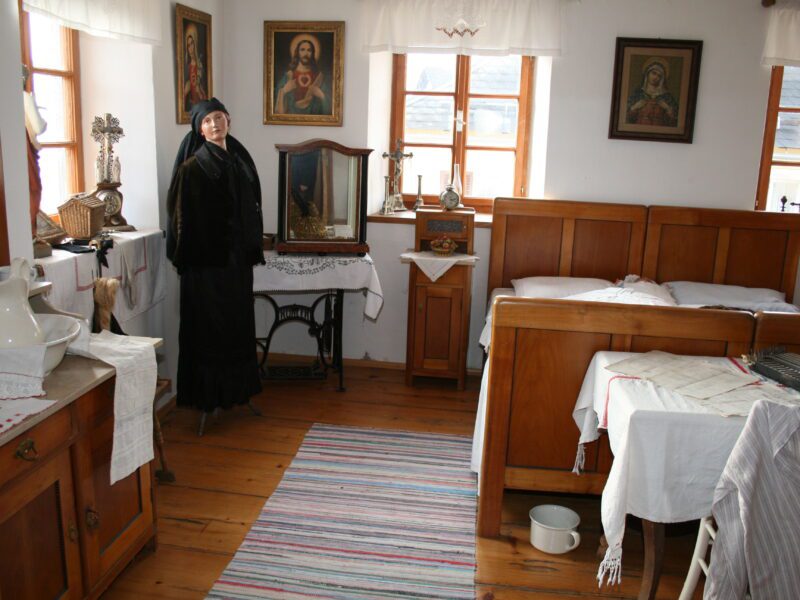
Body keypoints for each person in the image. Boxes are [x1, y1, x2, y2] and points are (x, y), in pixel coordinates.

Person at [167, 98, 264, 426]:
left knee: (237, 329)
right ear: (200, 129)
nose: (214, 124)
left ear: (229, 120)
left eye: (218, 117)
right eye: (207, 121)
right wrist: (195, 264)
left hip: (236, 268)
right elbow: (181, 224)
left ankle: (237, 392)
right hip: (206, 272)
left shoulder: (240, 162)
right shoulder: (192, 169)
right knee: (210, 333)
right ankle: (209, 398)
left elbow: (251, 210)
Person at [275, 35, 331, 115]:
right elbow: (278, 111)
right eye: (302, 50)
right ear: (297, 52)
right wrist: (284, 91)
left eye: (309, 50)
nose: (306, 53)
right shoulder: (288, 76)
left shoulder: (319, 77)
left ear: (313, 53)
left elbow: (330, 108)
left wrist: (321, 95)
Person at [625, 57, 679, 127]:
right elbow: (627, 119)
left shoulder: (667, 96)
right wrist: (635, 107)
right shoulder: (638, 94)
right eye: (653, 73)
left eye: (659, 76)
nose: (655, 77)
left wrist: (668, 108)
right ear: (648, 73)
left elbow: (674, 122)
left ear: (661, 79)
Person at [183, 23, 207, 112]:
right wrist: (186, 91)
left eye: (192, 43)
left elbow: (204, 96)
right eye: (188, 45)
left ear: (195, 43)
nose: (190, 48)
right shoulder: (186, 68)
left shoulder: (201, 67)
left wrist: (199, 91)